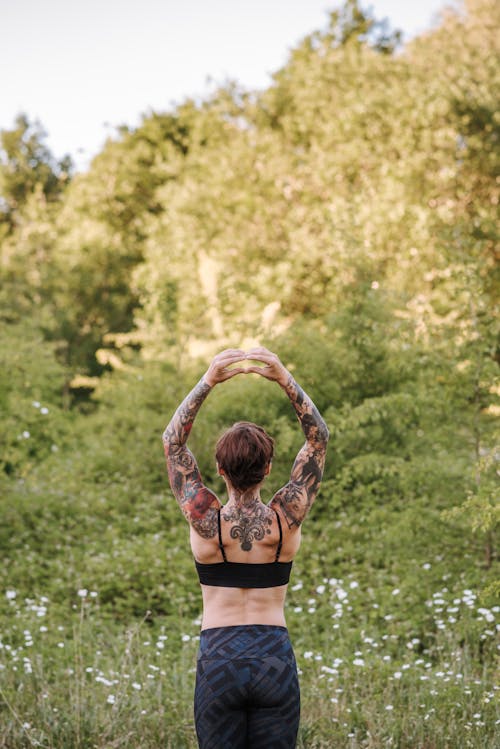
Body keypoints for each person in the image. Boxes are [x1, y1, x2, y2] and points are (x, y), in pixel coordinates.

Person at [162, 347, 329, 749]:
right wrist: (283, 376)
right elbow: (318, 436)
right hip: (273, 655)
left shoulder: (204, 518)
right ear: (269, 468)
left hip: (219, 656)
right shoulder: (286, 516)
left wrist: (209, 380)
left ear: (218, 470)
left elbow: (173, 442)